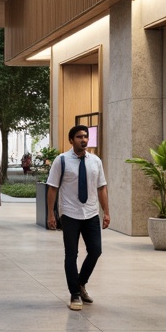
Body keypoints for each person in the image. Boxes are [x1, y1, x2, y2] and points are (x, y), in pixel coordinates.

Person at [45, 125, 110, 310]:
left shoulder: (96, 161)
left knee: (96, 250)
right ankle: (74, 294)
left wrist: (106, 211)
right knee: (71, 254)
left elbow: (102, 187)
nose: (84, 140)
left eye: (86, 136)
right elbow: (52, 187)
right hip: (70, 214)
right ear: (71, 140)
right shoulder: (61, 160)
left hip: (90, 213)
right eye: (80, 137)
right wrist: (51, 213)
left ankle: (81, 283)